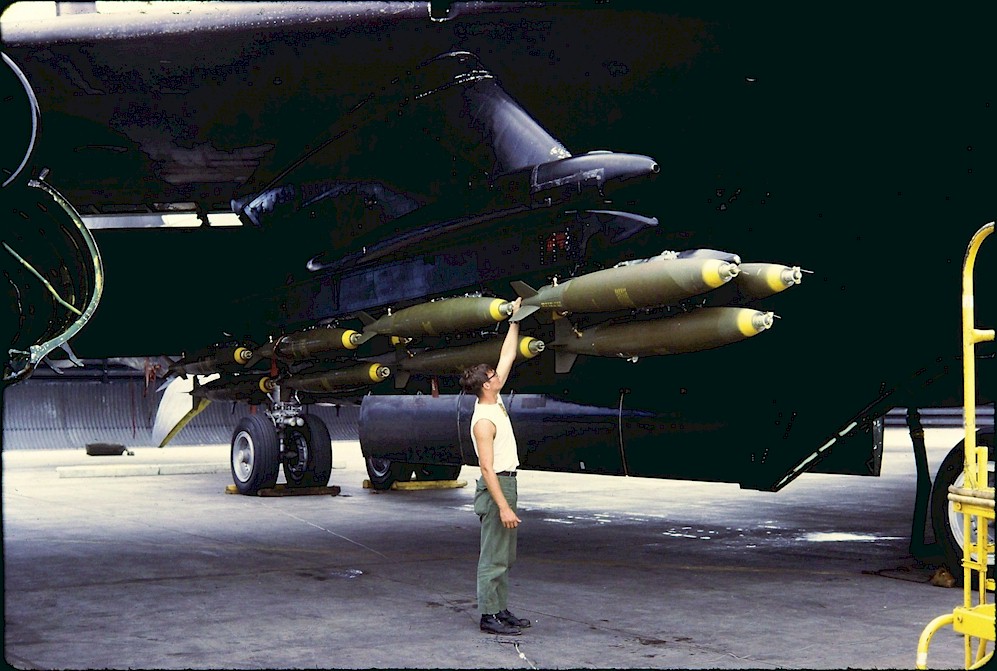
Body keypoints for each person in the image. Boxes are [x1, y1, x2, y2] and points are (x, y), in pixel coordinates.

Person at [459, 296, 532, 636]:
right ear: (487, 384)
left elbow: (508, 355)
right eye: (492, 374)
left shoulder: (494, 397)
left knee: (505, 556)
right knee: (493, 557)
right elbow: (486, 469)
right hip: (497, 487)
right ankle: (488, 616)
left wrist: (515, 320)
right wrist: (503, 505)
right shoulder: (483, 421)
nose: (497, 373)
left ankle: (500, 609)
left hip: (507, 483)